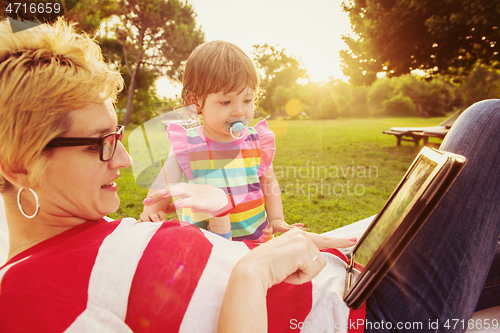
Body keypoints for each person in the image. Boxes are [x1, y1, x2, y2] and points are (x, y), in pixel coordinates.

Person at [0, 19, 498, 333]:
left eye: (120, 137)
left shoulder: (90, 227)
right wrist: (252, 274)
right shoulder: (25, 301)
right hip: (365, 318)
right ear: (18, 164)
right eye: (102, 143)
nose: (126, 160)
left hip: (347, 281)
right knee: (485, 122)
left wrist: (290, 244)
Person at [140, 40, 303, 242]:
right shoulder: (188, 146)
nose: (239, 111)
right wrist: (153, 208)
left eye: (247, 100)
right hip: (205, 246)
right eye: (225, 102)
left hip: (254, 242)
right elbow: (165, 183)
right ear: (195, 102)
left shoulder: (256, 142)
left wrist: (277, 219)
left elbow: (269, 182)